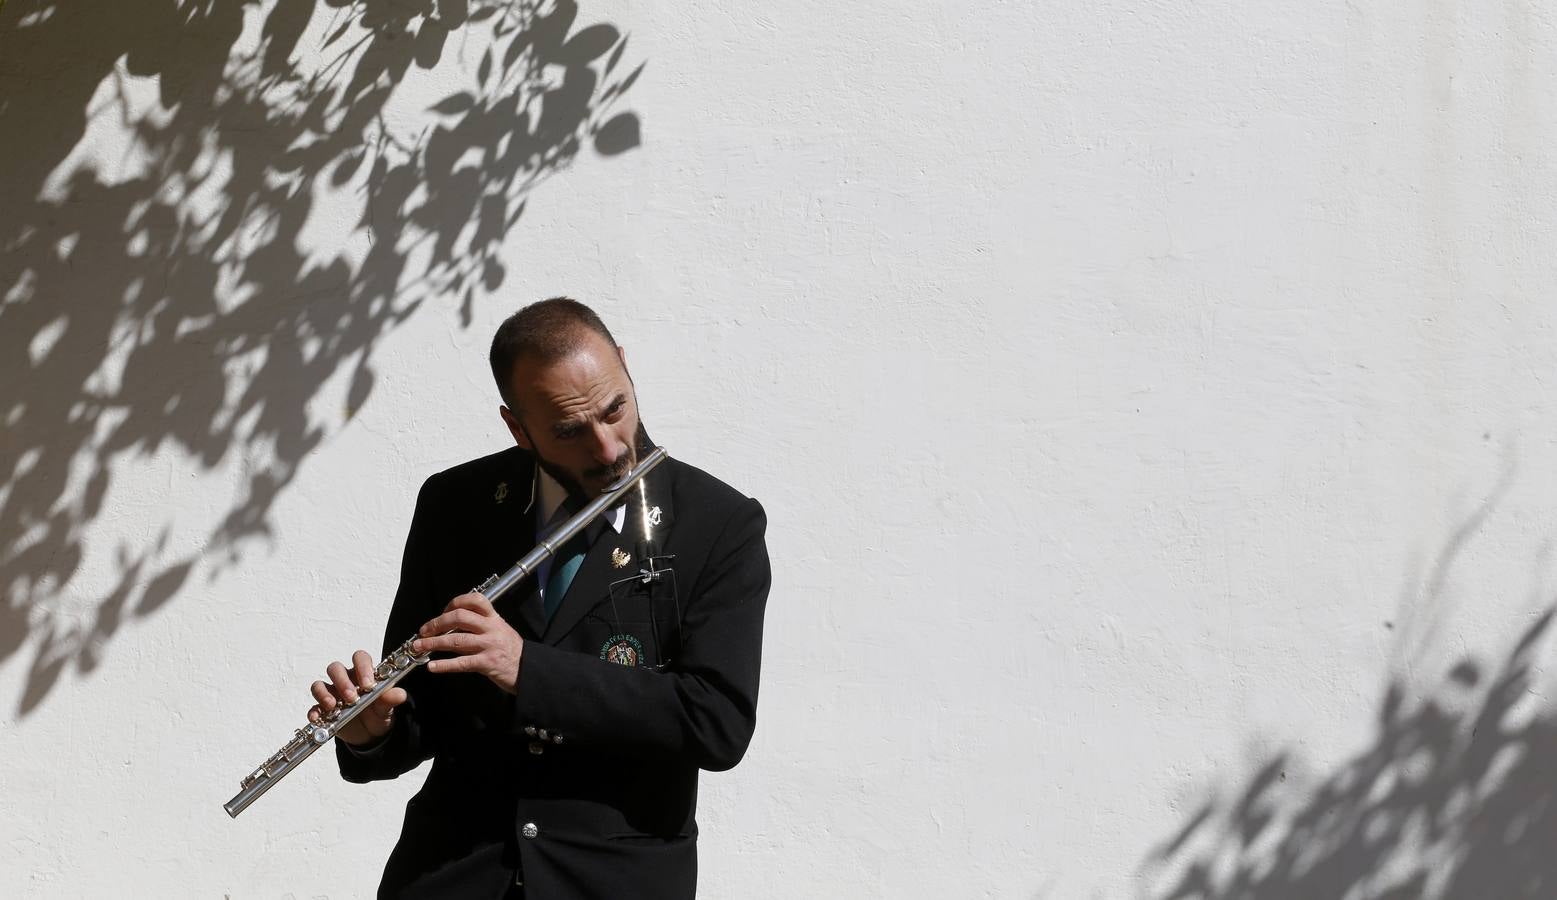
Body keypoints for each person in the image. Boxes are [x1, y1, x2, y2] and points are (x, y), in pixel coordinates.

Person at [307, 298, 771, 899]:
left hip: (612, 880)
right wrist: (376, 729)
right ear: (518, 427)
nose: (607, 448)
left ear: (626, 371)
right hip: (454, 874)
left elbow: (718, 723)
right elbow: (429, 705)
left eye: (615, 409)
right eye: (569, 431)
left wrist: (528, 670)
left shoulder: (717, 522)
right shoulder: (456, 503)